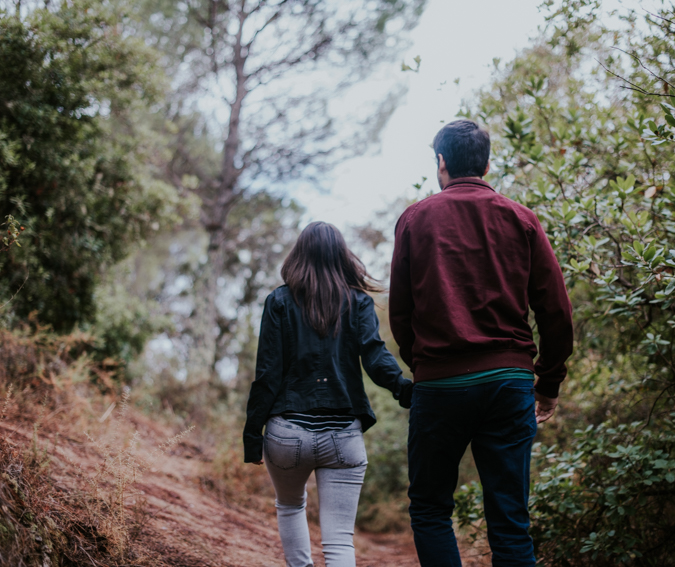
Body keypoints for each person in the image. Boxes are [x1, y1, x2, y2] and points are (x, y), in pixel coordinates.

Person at [389, 119, 574, 566]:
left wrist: (426, 367)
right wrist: (547, 384)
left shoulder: (415, 219)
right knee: (510, 519)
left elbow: (400, 312)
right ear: (487, 164)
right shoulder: (521, 218)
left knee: (431, 508)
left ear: (441, 162)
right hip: (508, 383)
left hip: (439, 385)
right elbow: (556, 312)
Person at [244, 221, 413, 567]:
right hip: (342, 436)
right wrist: (405, 389)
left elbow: (267, 374)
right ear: (341, 256)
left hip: (286, 434)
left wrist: (252, 435)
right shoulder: (358, 302)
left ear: (298, 255)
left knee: (290, 506)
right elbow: (376, 357)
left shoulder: (278, 301)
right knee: (338, 541)